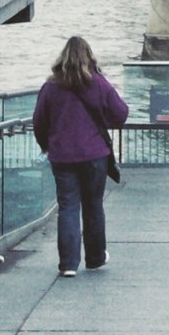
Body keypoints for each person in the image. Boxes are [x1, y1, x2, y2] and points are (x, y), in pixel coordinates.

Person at [33, 36, 129, 277]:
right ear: (89, 57)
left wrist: (48, 145)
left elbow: (39, 121)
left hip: (62, 156)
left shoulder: (51, 87)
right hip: (94, 155)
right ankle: (95, 258)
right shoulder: (98, 83)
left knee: (68, 207)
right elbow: (121, 113)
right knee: (94, 205)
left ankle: (68, 264)